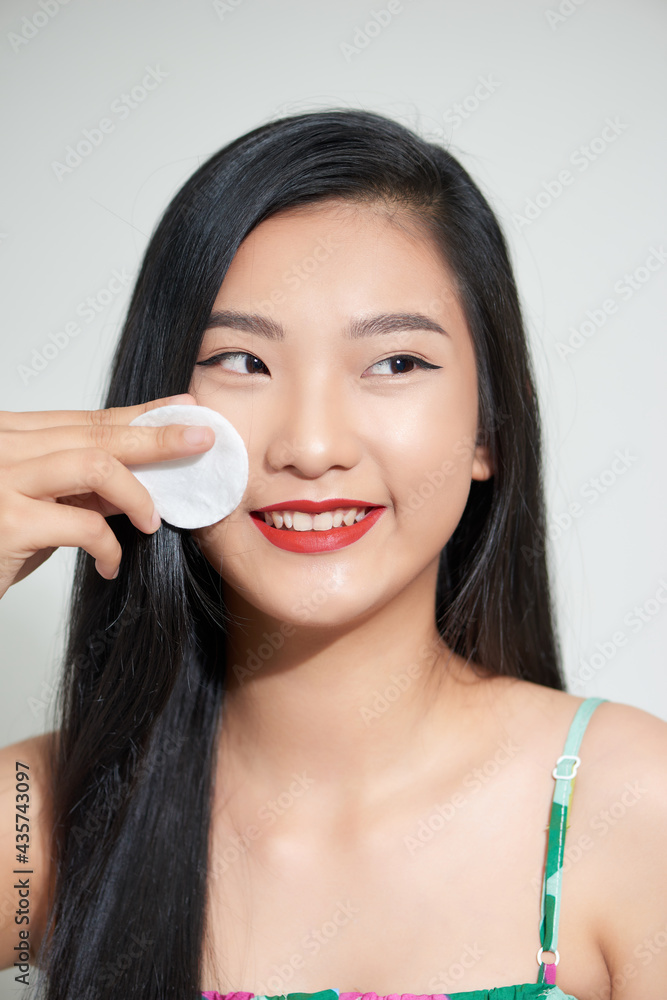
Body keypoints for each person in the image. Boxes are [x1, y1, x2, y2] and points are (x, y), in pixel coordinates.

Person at [0, 109, 665, 1000]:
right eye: (240, 359)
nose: (310, 447)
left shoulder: (630, 807)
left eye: (394, 364)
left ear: (488, 429)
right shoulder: (34, 819)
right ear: (155, 415)